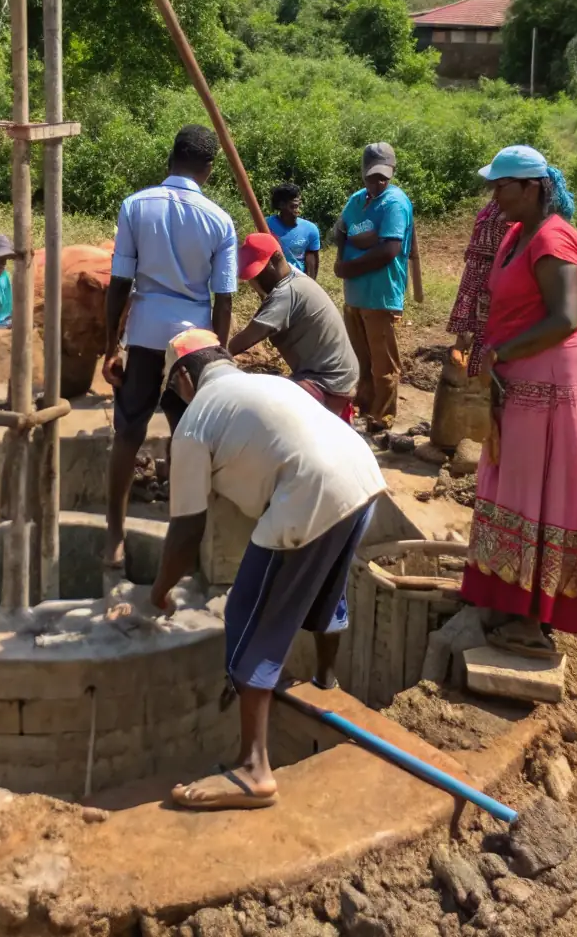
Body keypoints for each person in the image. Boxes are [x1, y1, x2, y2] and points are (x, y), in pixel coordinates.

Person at [111, 329, 385, 811]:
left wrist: (158, 591)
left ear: (183, 378)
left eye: (174, 389)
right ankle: (326, 681)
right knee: (324, 584)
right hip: (363, 478)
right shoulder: (268, 383)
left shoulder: (195, 421)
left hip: (310, 492)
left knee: (247, 614)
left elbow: (186, 530)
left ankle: (254, 768)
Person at [461, 145, 577, 652]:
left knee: (544, 493)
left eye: (502, 186)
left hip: (557, 381)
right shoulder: (516, 234)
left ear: (532, 188)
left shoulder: (553, 239)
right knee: (518, 486)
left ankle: (534, 619)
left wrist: (501, 352)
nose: (494, 196)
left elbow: (564, 318)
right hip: (527, 375)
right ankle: (511, 595)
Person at [102, 125, 237, 570]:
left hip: (144, 336)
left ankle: (115, 537)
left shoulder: (136, 206)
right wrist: (219, 359)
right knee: (189, 438)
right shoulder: (220, 221)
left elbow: (120, 283)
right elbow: (223, 299)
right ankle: (184, 542)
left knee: (128, 433)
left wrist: (110, 347)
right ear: (209, 169)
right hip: (193, 346)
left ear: (170, 158)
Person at [334, 142, 418, 431]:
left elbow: (389, 250)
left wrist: (347, 266)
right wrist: (347, 249)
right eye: (372, 176)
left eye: (384, 176)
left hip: (381, 294)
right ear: (363, 173)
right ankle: (364, 407)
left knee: (383, 364)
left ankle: (382, 418)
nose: (378, 182)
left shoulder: (395, 203)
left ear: (392, 172)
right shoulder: (357, 200)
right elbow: (340, 230)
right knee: (360, 358)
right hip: (355, 294)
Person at [228, 233, 358, 418]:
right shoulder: (296, 277)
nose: (254, 282)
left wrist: (214, 358)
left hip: (327, 383)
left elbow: (246, 339)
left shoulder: (286, 293)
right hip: (338, 376)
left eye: (259, 274)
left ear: (276, 259)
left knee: (254, 406)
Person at [446, 198, 510, 377]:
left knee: (486, 333)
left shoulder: (517, 209)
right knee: (467, 329)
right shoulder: (493, 204)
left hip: (494, 274)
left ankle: (481, 376)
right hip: (475, 272)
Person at [266, 183, 320, 277]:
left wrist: (310, 283)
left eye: (298, 205)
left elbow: (311, 262)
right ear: (281, 205)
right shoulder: (266, 225)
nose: (297, 210)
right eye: (293, 206)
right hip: (274, 281)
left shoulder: (310, 229)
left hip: (298, 280)